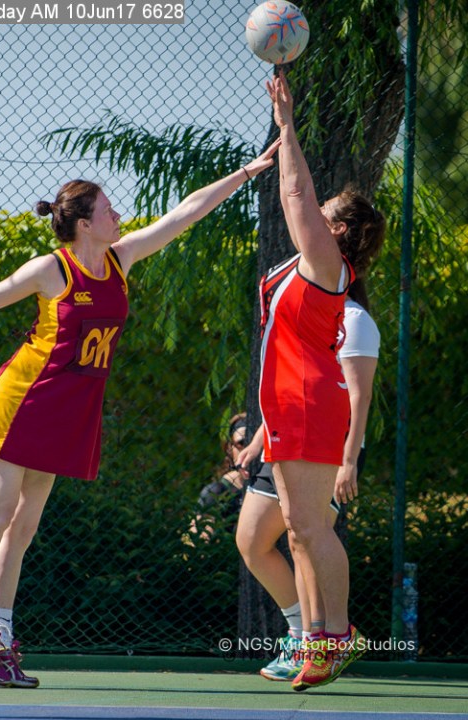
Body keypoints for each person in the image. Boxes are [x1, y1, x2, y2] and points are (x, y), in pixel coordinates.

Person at [0, 141, 281, 689]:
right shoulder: (51, 269)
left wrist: (245, 173)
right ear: (84, 224)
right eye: (109, 209)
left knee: (23, 529)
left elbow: (185, 213)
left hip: (68, 413)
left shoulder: (121, 259)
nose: (119, 215)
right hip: (22, 401)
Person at [249, 69, 386, 691]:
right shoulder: (312, 264)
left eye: (327, 212)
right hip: (287, 405)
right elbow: (300, 201)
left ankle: (338, 633)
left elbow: (295, 194)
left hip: (308, 402)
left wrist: (287, 126)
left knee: (311, 528)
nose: (316, 208)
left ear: (337, 231)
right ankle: (318, 641)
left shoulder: (327, 261)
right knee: (300, 533)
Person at [235, 282, 380, 682]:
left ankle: (321, 642)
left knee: (304, 539)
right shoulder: (307, 318)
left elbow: (358, 397)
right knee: (251, 539)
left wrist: (349, 460)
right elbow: (295, 385)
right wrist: (259, 440)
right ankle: (301, 632)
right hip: (285, 439)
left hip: (329, 447)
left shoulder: (354, 320)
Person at [191, 413, 249, 542]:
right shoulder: (216, 492)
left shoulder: (276, 485)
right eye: (242, 443)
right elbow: (198, 543)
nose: (248, 450)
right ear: (229, 448)